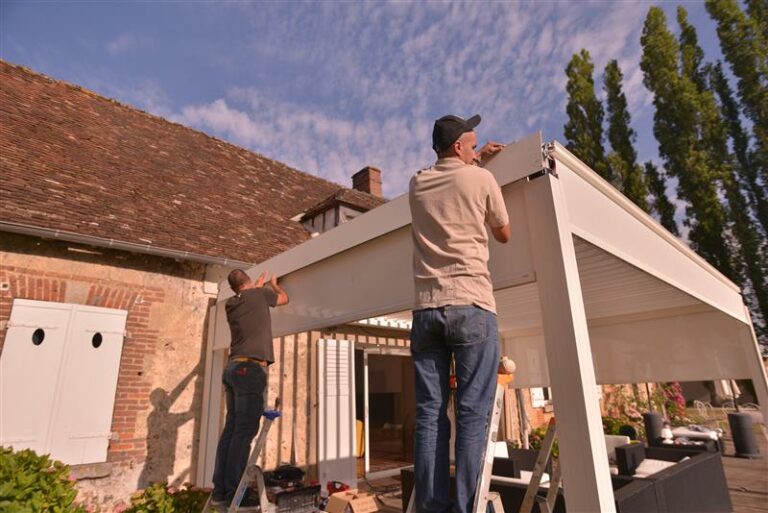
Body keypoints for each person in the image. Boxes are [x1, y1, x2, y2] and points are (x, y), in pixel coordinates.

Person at [408, 114, 510, 513]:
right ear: (458, 147)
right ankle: (467, 508)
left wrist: (476, 159)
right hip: (471, 304)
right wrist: (480, 170)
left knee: (430, 415)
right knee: (472, 413)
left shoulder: (418, 183)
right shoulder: (481, 180)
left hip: (426, 311)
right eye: (472, 141)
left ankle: (432, 507)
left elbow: (449, 179)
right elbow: (504, 232)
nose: (476, 145)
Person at [211, 269, 289, 509]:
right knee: (244, 432)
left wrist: (257, 287)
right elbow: (284, 299)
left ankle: (221, 490)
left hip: (233, 368)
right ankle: (237, 490)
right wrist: (275, 286)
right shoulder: (260, 295)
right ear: (248, 282)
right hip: (250, 371)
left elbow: (249, 298)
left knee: (232, 429)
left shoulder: (232, 304)